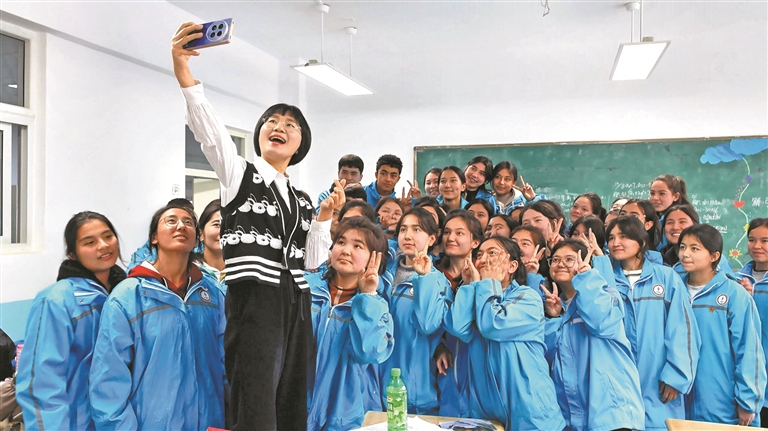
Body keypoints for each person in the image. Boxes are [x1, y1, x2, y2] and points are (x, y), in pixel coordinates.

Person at [171, 23, 338, 431]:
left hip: (296, 300)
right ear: (260, 133)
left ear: (300, 144)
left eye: (290, 125)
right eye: (271, 121)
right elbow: (211, 135)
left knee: (291, 396)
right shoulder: (239, 175)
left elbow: (312, 261)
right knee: (256, 398)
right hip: (256, 297)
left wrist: (323, 219)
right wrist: (184, 73)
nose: (279, 127)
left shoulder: (300, 198)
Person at [89, 202, 226, 430]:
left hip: (209, 422)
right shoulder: (128, 296)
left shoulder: (212, 294)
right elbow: (108, 380)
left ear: (196, 239)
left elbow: (226, 365)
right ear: (154, 237)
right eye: (171, 221)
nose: (181, 226)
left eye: (188, 222)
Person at [16, 212, 125, 431]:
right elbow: (42, 383)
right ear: (72, 254)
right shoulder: (56, 300)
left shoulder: (126, 295)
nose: (103, 245)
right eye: (89, 242)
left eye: (108, 236)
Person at [443, 235, 566, 430]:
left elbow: (493, 324)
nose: (483, 260)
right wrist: (470, 285)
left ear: (512, 266)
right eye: (479, 255)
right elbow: (458, 327)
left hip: (530, 412)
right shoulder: (478, 295)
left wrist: (487, 283)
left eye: (492, 253)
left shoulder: (528, 297)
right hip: (488, 413)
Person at [605, 216, 701, 430]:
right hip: (617, 382)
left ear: (641, 241)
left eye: (623, 236)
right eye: (611, 238)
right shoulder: (606, 280)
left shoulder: (665, 277)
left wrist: (676, 375)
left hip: (658, 381)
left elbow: (683, 329)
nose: (616, 242)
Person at [542, 239, 645, 431]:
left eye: (569, 259)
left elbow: (600, 321)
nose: (560, 263)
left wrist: (586, 278)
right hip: (574, 418)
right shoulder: (558, 308)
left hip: (613, 416)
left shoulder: (605, 293)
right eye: (555, 259)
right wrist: (554, 316)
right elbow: (548, 356)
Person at [306, 217, 393, 431]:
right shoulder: (305, 290)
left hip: (346, 416)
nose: (345, 250)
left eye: (357, 246)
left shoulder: (377, 305)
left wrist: (368, 295)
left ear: (374, 258)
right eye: (341, 242)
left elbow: (368, 353)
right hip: (298, 406)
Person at [678, 224, 765, 426]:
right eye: (682, 247)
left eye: (695, 248)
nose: (685, 254)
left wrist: (747, 400)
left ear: (714, 256)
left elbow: (748, 349)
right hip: (678, 402)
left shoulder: (734, 294)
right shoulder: (674, 290)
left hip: (721, 402)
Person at [378, 207, 451, 414]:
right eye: (403, 229)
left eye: (416, 229)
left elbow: (427, 325)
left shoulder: (438, 281)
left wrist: (424, 278)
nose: (408, 235)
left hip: (412, 392)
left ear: (432, 238)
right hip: (375, 386)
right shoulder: (382, 273)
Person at [433, 210, 483, 417]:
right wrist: (438, 346)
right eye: (447, 232)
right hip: (443, 369)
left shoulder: (486, 277)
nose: (451, 238)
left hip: (477, 365)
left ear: (475, 242)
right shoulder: (432, 273)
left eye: (459, 233)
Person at [736, 218, 768, 425]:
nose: (757, 246)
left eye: (765, 241)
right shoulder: (736, 279)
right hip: (748, 378)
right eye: (752, 240)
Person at [650, 174, 691, 251]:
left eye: (662, 193)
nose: (655, 198)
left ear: (676, 196)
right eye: (652, 193)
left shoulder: (689, 218)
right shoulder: (651, 219)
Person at [196, 199, 226, 290]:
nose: (224, 231)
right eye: (217, 224)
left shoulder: (244, 272)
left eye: (230, 224)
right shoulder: (190, 272)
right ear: (201, 234)